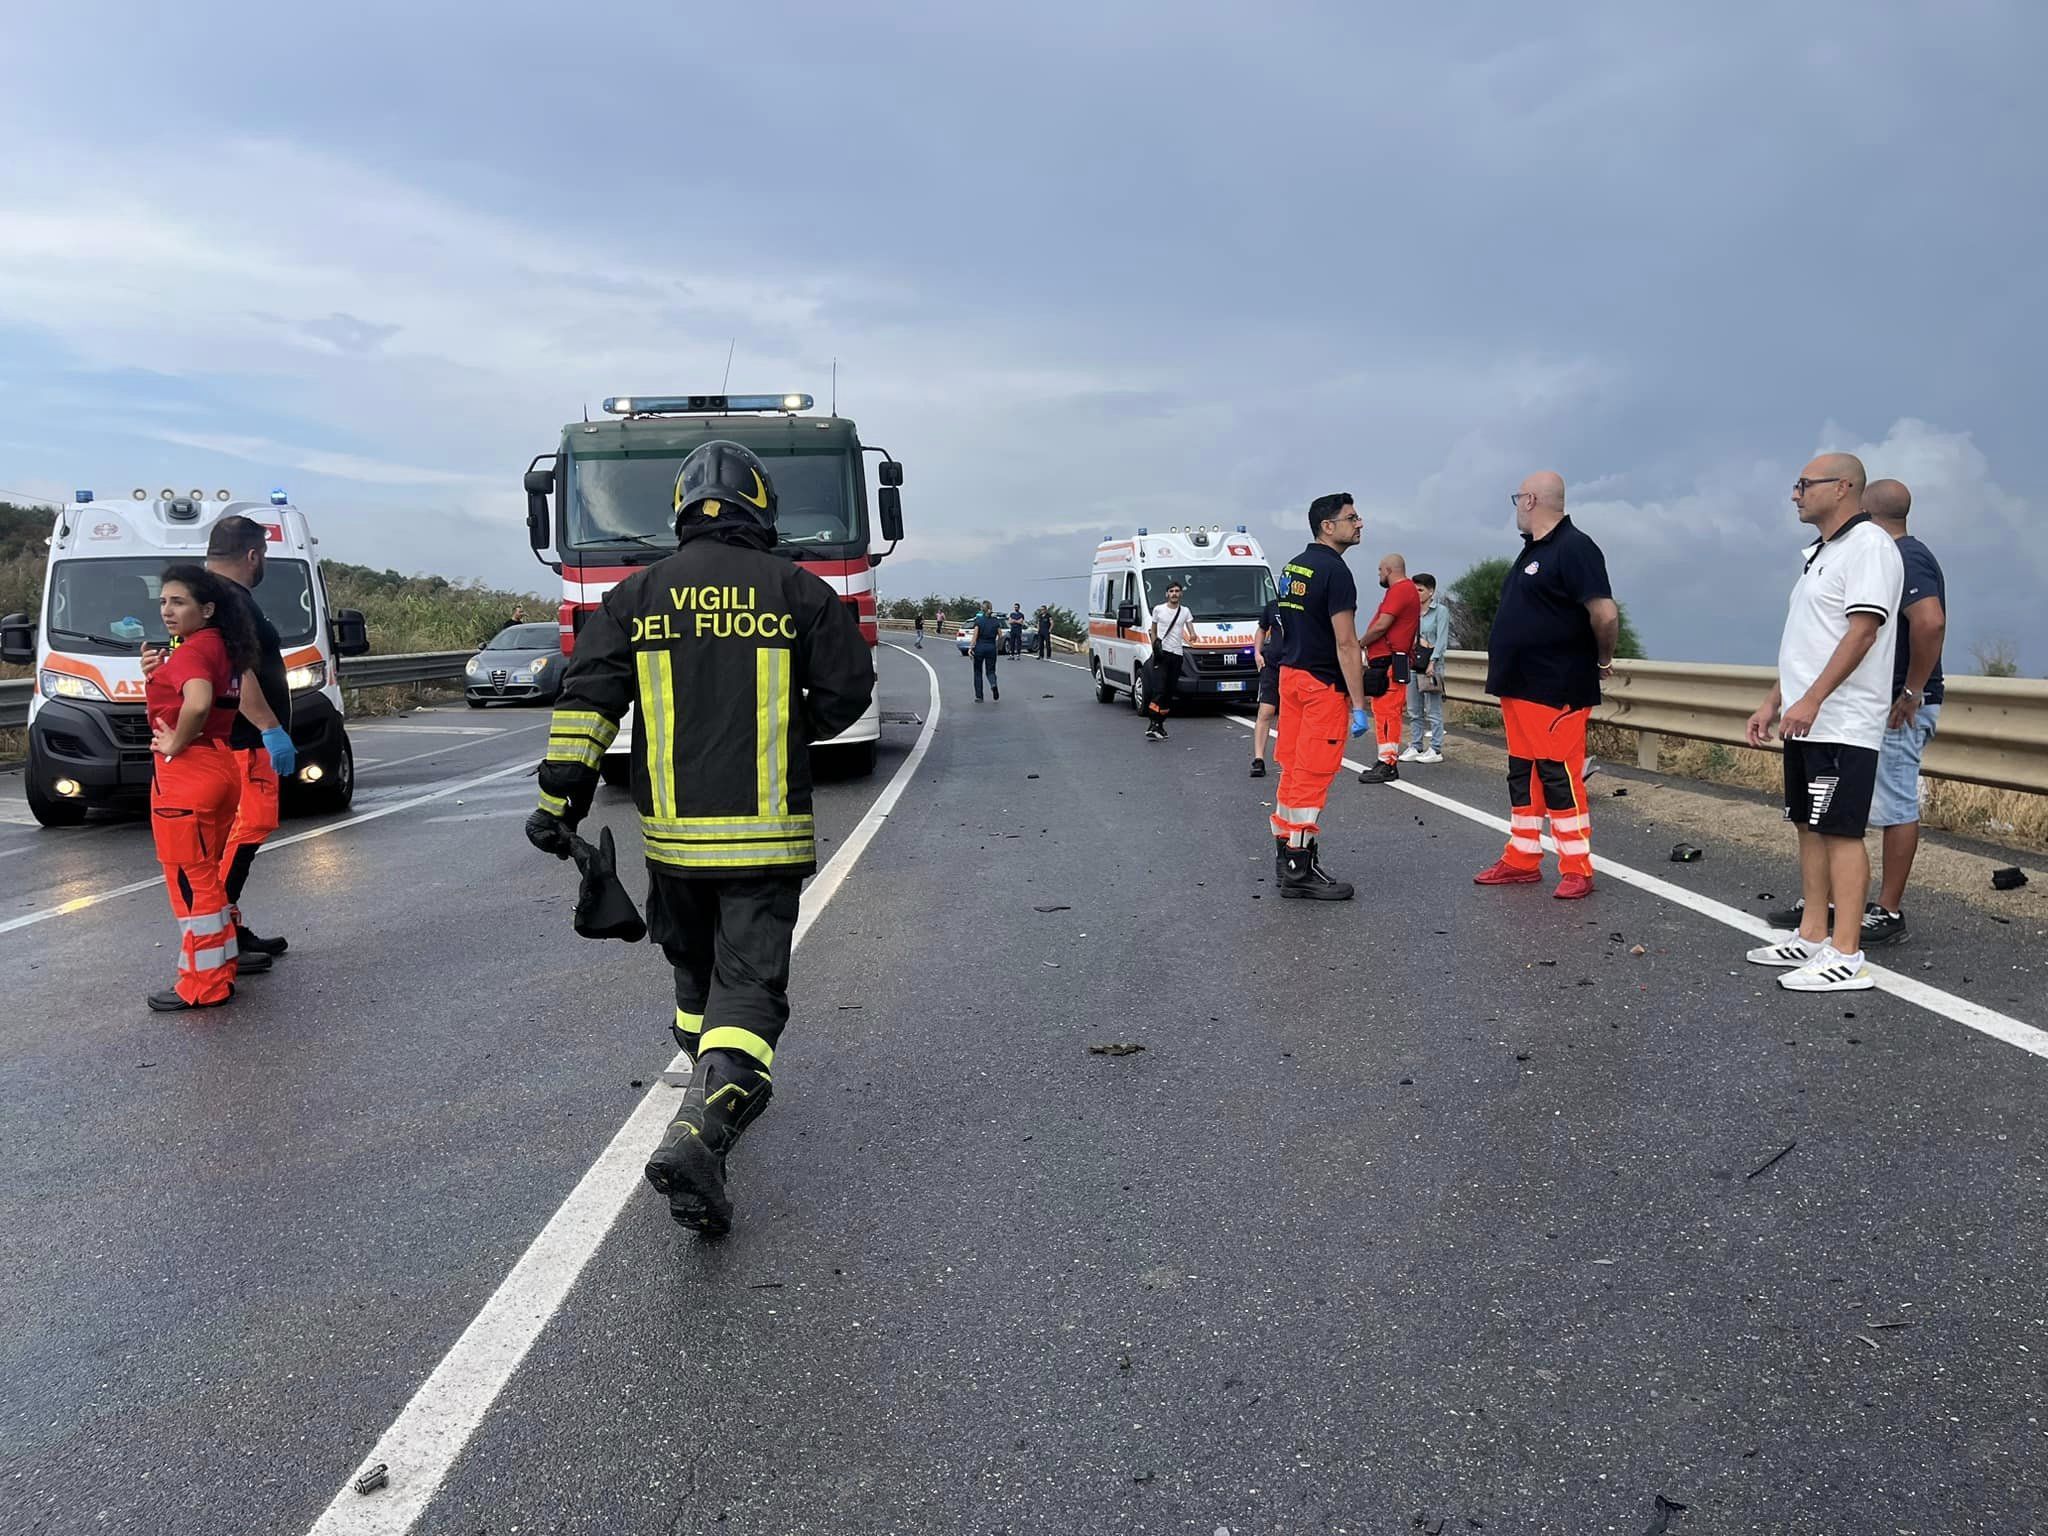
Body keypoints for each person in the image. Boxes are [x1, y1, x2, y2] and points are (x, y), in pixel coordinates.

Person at [525, 439, 874, 1234]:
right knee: (747, 990)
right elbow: (850, 690)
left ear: (681, 509)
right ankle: (705, 1125)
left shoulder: (636, 595)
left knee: (692, 976)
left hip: (673, 846)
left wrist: (557, 804)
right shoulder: (799, 590)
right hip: (764, 841)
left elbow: (587, 703)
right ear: (762, 507)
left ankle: (704, 1080)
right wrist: (786, 734)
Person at [1743, 453, 1903, 992]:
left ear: (1842, 487)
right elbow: (1807, 641)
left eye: (1804, 484)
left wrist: (1811, 700)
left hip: (1844, 721)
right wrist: (1774, 701)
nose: (1795, 494)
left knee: (1840, 831)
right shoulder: (1821, 552)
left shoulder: (1870, 546)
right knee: (1808, 824)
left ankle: (1847, 953)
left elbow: (1863, 632)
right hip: (1808, 718)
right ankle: (1813, 934)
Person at [1472, 472, 1619, 901]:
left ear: (1531, 500)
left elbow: (1605, 614)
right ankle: (1521, 858)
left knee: (1559, 774)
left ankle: (1577, 867)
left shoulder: (1575, 547)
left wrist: (1602, 659)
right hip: (1519, 686)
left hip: (1556, 686)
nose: (1517, 506)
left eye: (1518, 498)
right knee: (1524, 773)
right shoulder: (1533, 550)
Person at [143, 566, 258, 1012]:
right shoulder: (219, 646)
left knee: (191, 881)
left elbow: (198, 702)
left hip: (187, 775)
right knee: (205, 875)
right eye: (163, 601)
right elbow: (197, 695)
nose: (167, 610)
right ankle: (220, 968)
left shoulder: (193, 651)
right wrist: (158, 674)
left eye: (179, 602)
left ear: (206, 609)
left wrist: (176, 741)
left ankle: (203, 985)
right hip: (219, 764)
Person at [204, 515, 298, 964]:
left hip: (238, 738)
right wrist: (270, 728)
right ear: (253, 555)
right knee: (250, 826)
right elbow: (237, 673)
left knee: (234, 834)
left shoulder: (212, 596)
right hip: (245, 740)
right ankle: (219, 928)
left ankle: (228, 927)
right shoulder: (229, 601)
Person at [1270, 494, 1372, 899]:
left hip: (1291, 677)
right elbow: (1346, 643)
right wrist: (1359, 704)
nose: (1359, 524)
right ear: (1327, 527)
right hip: (1320, 685)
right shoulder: (1335, 571)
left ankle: (1285, 857)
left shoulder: (1293, 566)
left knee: (1293, 769)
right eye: (1351, 518)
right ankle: (1300, 868)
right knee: (1312, 774)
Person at [1861, 479, 1945, 946]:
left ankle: (1888, 910)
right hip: (1886, 700)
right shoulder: (1894, 554)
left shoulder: (1904, 556)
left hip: (1901, 704)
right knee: (1872, 801)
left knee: (1895, 804)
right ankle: (1844, 900)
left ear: (1866, 512)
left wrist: (1912, 691)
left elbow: (1929, 621)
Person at [1356, 553, 1420, 783]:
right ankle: (1384, 759)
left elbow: (1382, 625)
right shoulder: (1403, 591)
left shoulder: (1400, 590)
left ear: (1389, 570)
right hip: (1387, 661)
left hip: (1390, 662)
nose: (1379, 575)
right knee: (1383, 712)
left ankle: (1388, 763)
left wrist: (1361, 643)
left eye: (1380, 571)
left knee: (1387, 714)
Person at [1401, 572, 1450, 763]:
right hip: (1414, 662)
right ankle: (1416, 745)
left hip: (1431, 665)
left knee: (1433, 710)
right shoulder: (1411, 611)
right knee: (1414, 709)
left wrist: (1433, 661)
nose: (1417, 593)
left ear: (1431, 591)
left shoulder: (1440, 611)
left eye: (1420, 590)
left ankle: (1436, 748)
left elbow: (1442, 639)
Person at [1143, 581, 1191, 741]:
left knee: (1169, 692)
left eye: (1177, 591)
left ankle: (1160, 724)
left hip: (1177, 655)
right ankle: (1152, 723)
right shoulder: (1159, 609)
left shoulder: (1185, 611)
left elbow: (1190, 631)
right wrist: (1155, 646)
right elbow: (1153, 629)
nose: (1174, 594)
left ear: (1181, 594)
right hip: (1162, 654)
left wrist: (1193, 637)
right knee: (1159, 690)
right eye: (1171, 591)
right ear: (1167, 594)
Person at [1249, 588, 1286, 778]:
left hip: (1294, 665)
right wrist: (1257, 653)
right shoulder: (1272, 607)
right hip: (1272, 666)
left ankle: (1289, 758)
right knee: (1266, 711)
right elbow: (1261, 629)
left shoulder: (1303, 606)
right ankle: (1258, 759)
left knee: (1289, 714)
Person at [969, 603, 1004, 701]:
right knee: (991, 671)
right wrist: (998, 647)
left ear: (982, 609)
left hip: (980, 647)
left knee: (978, 672)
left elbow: (975, 636)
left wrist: (971, 648)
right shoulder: (995, 621)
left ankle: (979, 696)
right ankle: (993, 684)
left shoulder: (979, 621)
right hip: (991, 647)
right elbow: (1000, 636)